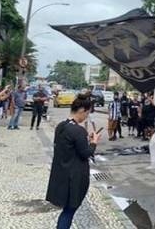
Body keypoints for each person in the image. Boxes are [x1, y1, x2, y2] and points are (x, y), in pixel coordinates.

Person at [46, 94, 102, 229]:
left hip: (61, 172)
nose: (86, 117)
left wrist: (85, 139)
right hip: (74, 176)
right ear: (82, 110)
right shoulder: (78, 130)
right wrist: (94, 142)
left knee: (67, 210)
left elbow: (68, 145)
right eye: (87, 114)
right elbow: (86, 153)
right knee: (69, 211)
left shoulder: (62, 126)